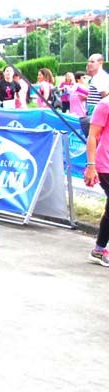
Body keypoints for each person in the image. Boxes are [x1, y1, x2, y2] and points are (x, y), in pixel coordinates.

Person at [84, 91, 109, 266]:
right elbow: (92, 136)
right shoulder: (105, 104)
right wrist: (91, 166)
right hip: (105, 163)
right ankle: (100, 250)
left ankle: (99, 249)